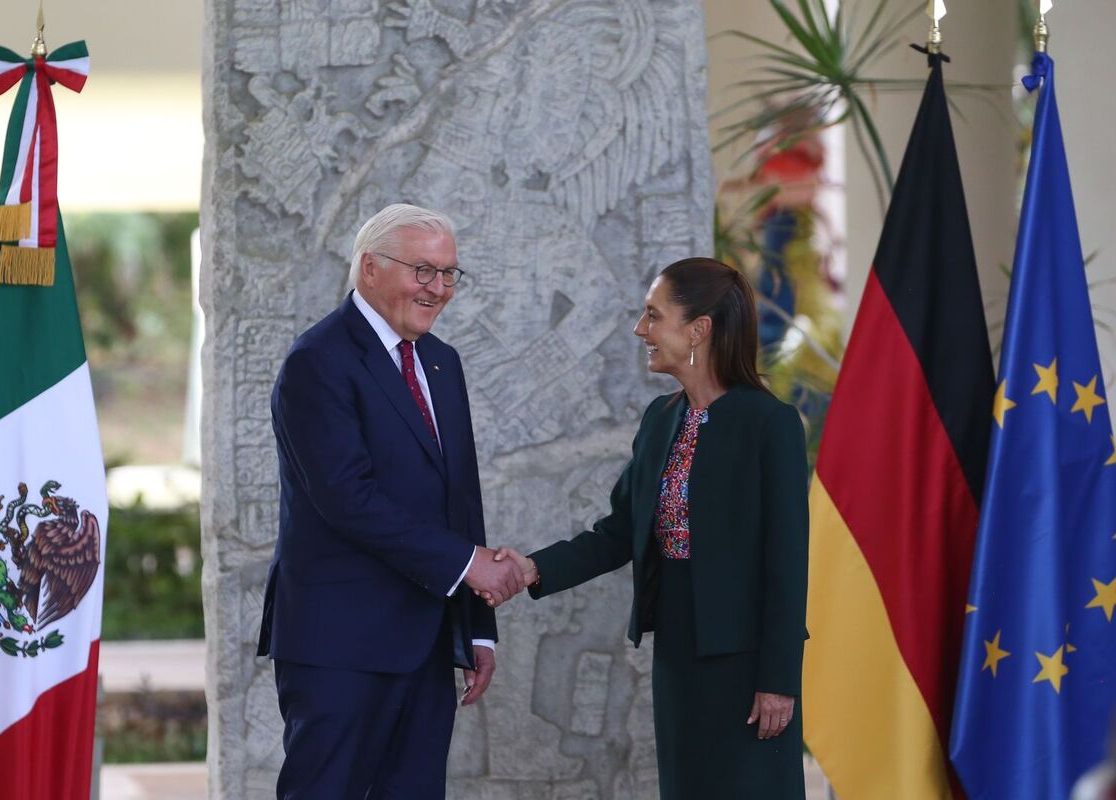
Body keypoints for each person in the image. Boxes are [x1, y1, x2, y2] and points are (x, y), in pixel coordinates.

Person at [490, 257, 810, 799]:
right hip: (679, 657)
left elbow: (787, 563)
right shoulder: (661, 419)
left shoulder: (769, 424)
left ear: (698, 328)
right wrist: (532, 568)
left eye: (653, 315)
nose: (641, 329)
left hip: (748, 665)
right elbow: (618, 532)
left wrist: (778, 680)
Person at [258, 204, 525, 799]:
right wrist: (470, 565)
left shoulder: (441, 361)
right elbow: (347, 498)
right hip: (339, 646)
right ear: (370, 268)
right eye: (422, 270)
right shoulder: (317, 361)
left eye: (449, 273)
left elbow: (461, 498)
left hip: (425, 643)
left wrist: (476, 629)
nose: (438, 288)